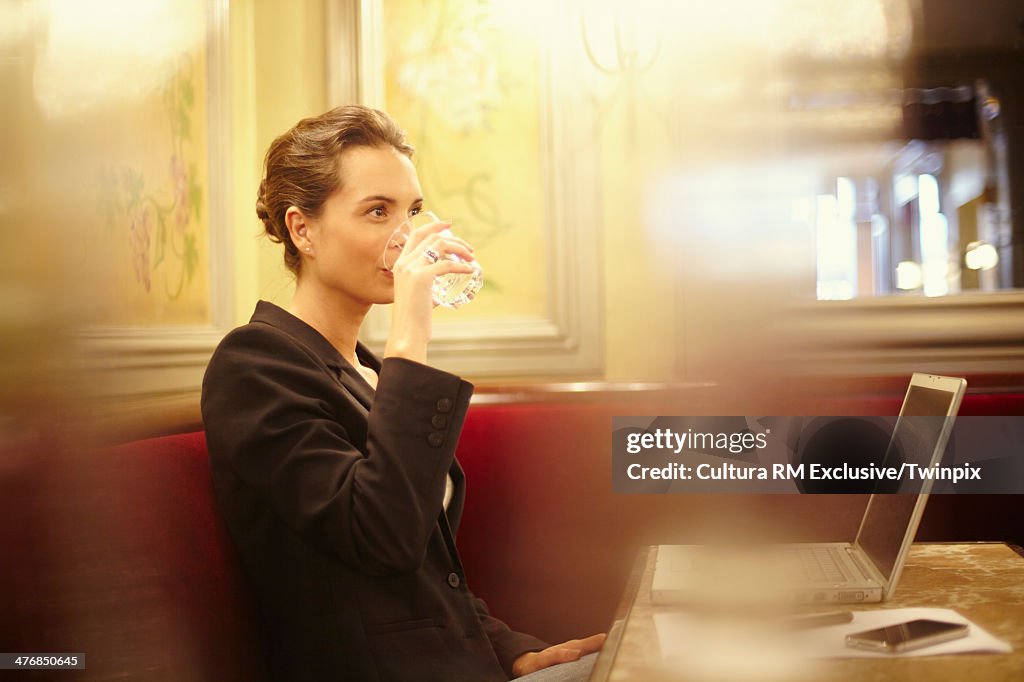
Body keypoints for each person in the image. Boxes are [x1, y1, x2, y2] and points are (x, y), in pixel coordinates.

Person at [201, 105, 604, 681]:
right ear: (302, 229)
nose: (405, 236)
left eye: (411, 211)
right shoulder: (255, 364)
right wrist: (410, 333)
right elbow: (381, 538)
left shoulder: (364, 370)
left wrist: (514, 651)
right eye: (376, 212)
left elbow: (422, 577)